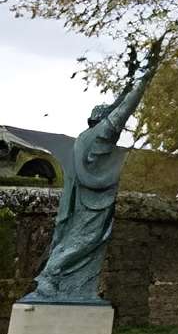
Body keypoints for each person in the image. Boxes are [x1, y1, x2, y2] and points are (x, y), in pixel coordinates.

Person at [24, 43, 161, 306]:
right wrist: (145, 79)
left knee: (80, 241)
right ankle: (50, 276)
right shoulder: (100, 137)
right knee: (86, 240)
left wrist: (132, 78)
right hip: (91, 204)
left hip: (80, 203)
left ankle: (57, 280)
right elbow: (123, 111)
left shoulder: (85, 137)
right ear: (103, 124)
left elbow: (116, 107)